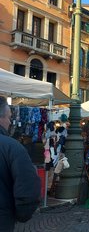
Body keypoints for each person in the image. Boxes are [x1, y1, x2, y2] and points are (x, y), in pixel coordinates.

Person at [0, 96, 41, 231]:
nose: (10, 122)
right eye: (9, 117)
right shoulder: (12, 147)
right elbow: (27, 188)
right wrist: (21, 214)